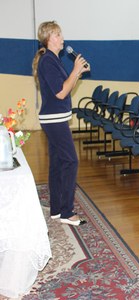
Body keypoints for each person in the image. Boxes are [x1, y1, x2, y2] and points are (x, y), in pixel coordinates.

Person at [32, 21, 90, 226]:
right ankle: (66, 211)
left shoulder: (53, 60)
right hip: (54, 119)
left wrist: (77, 74)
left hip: (56, 118)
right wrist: (75, 70)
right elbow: (60, 93)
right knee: (71, 161)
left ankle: (57, 209)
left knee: (57, 162)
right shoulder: (48, 61)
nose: (62, 38)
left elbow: (66, 90)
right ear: (49, 39)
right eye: (58, 35)